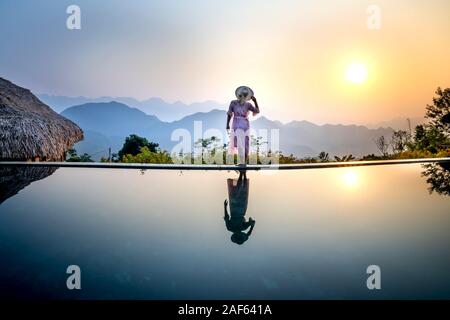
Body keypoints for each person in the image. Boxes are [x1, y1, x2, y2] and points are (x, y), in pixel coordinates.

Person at [226, 86, 260, 165]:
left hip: (245, 126)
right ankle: (241, 162)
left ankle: (244, 163)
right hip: (237, 125)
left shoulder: (248, 105)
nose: (243, 97)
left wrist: (255, 101)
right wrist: (227, 124)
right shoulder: (233, 103)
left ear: (246, 96)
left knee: (246, 145)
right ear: (239, 95)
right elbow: (229, 114)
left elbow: (257, 111)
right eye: (241, 95)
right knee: (240, 145)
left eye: (245, 95)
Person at [223, 172, 256, 245]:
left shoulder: (230, 228)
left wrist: (225, 207)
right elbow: (249, 232)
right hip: (242, 209)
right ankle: (243, 174)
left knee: (236, 191)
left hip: (234, 209)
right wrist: (252, 225)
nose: (239, 234)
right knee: (243, 191)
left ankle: (242, 174)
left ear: (235, 236)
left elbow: (226, 217)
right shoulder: (243, 227)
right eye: (241, 235)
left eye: (238, 236)